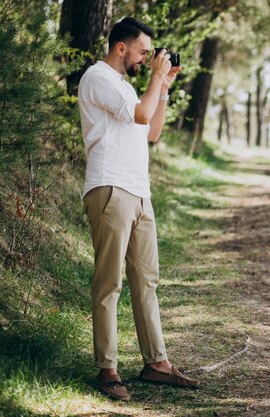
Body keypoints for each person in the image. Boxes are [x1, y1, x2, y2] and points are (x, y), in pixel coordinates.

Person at [78, 17, 198, 401]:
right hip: (110, 187)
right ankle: (108, 368)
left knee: (147, 281)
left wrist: (162, 88)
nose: (148, 59)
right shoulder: (97, 77)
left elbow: (152, 130)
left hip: (138, 191)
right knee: (109, 282)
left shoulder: (128, 88)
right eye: (144, 52)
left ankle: (156, 363)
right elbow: (140, 116)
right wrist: (153, 82)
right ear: (120, 48)